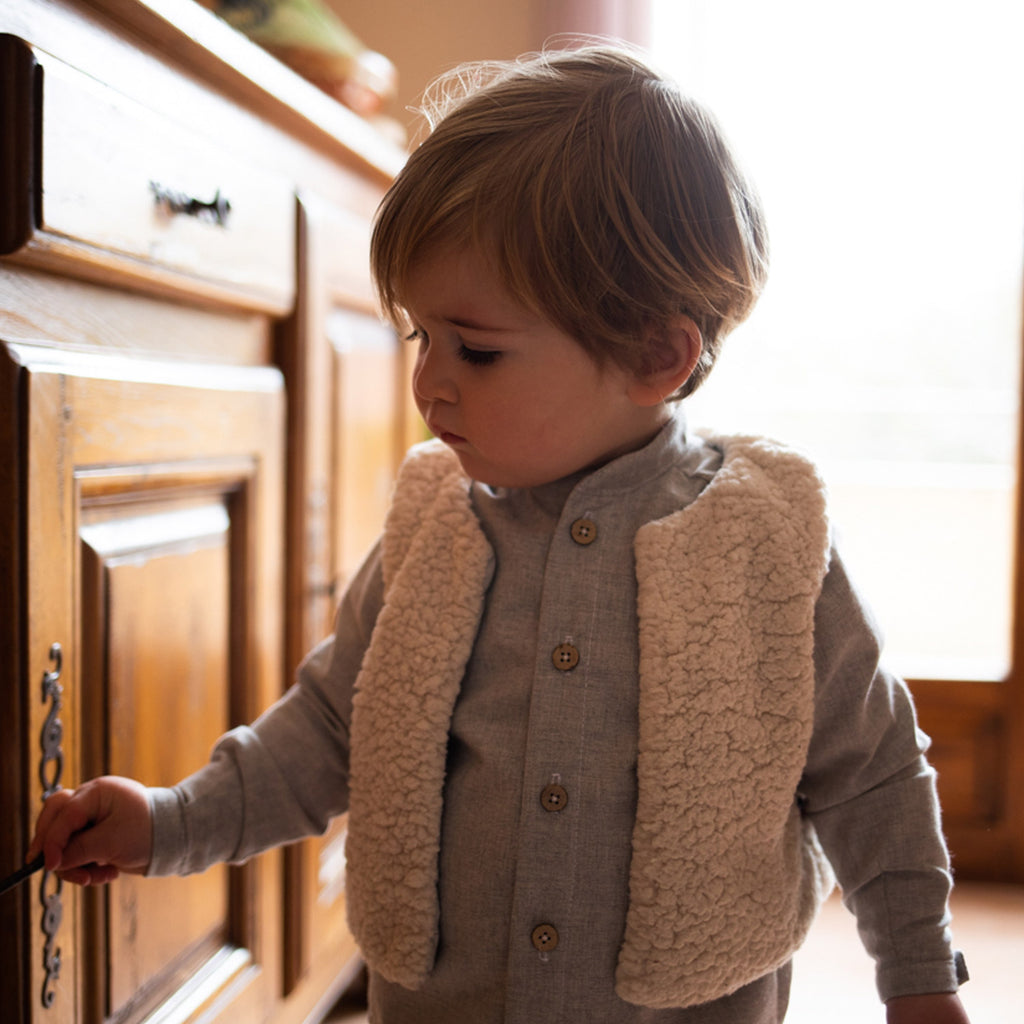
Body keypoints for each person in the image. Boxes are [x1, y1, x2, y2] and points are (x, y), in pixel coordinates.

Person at [28, 45, 970, 1024]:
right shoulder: (436, 528)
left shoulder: (764, 542)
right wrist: (172, 820)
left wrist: (918, 972)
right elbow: (330, 728)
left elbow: (874, 772)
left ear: (656, 353)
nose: (429, 380)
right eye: (417, 336)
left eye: (474, 347)